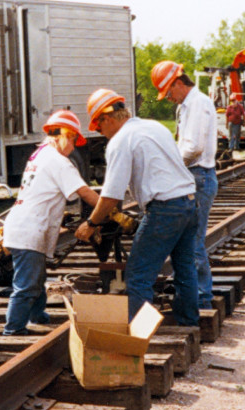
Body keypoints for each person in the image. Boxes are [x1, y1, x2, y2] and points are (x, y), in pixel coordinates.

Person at [75, 89, 199, 327]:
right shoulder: (154, 127)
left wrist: (91, 223)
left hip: (165, 208)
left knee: (138, 275)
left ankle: (142, 338)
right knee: (185, 268)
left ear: (107, 118)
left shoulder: (121, 141)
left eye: (99, 128)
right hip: (189, 202)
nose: (101, 134)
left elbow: (111, 195)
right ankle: (190, 324)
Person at [2, 110, 100, 335]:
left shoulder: (39, 154)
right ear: (64, 135)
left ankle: (38, 315)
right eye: (74, 140)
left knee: (37, 276)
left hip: (22, 226)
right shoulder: (59, 161)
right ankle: (13, 328)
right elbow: (84, 192)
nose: (74, 147)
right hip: (29, 230)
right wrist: (110, 210)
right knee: (27, 284)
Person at [152, 60, 218, 312]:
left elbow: (193, 147)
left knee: (193, 242)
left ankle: (200, 298)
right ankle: (193, 293)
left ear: (178, 83)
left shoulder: (197, 103)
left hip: (197, 176)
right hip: (194, 176)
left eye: (168, 92)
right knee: (187, 241)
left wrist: (170, 168)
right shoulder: (189, 104)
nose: (168, 98)